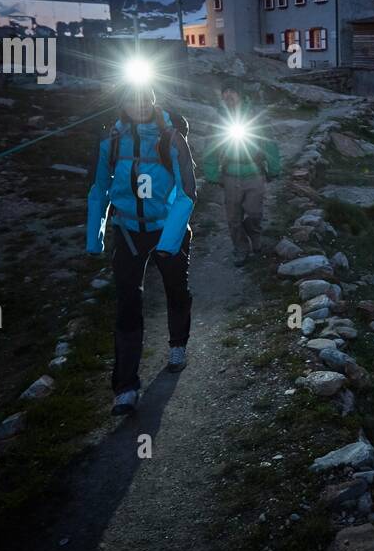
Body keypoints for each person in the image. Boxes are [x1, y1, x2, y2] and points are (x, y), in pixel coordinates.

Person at [86, 82, 197, 416]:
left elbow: (187, 190)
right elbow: (99, 189)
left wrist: (169, 240)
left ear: (152, 98)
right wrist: (96, 236)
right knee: (127, 305)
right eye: (132, 99)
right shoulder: (111, 141)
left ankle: (177, 344)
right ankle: (125, 387)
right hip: (128, 232)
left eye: (145, 97)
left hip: (168, 230)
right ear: (122, 103)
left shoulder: (171, 137)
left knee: (176, 290)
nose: (140, 104)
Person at [202, 85, 279, 266]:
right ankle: (241, 249)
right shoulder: (218, 119)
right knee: (233, 217)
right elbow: (210, 147)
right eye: (225, 92)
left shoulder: (254, 116)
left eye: (232, 91)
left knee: (254, 212)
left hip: (254, 172)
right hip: (230, 174)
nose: (228, 95)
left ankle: (254, 235)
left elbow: (269, 143)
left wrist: (274, 168)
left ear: (240, 94)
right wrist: (211, 173)